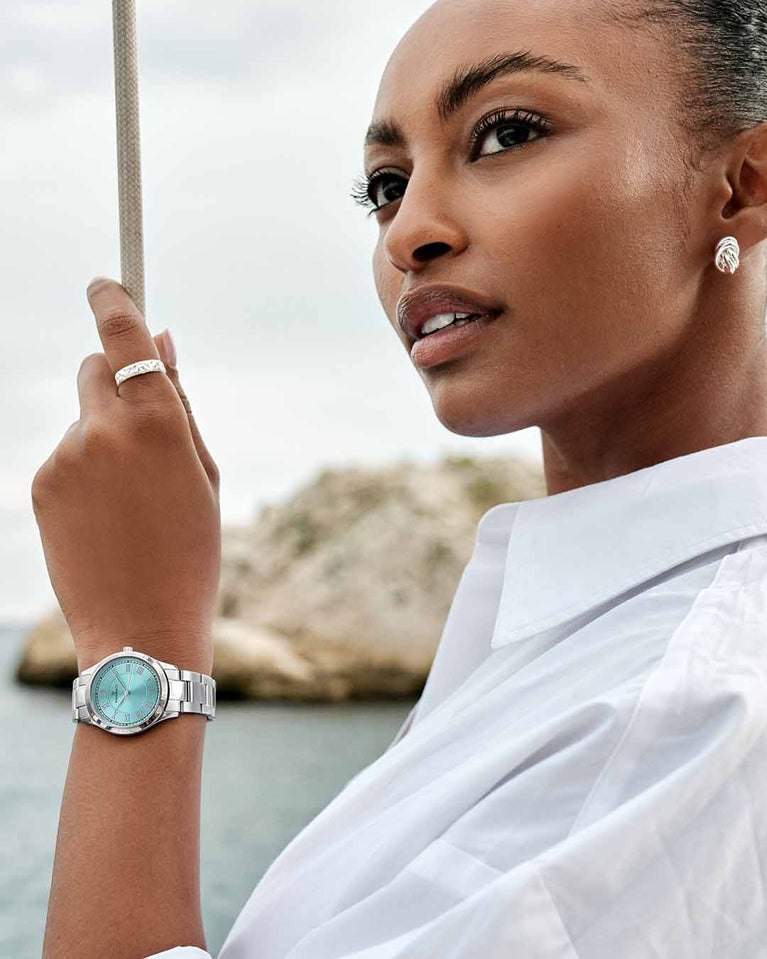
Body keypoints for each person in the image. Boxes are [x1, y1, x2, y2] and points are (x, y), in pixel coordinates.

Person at [34, 0, 767, 956]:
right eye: (384, 183)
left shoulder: (689, 707)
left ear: (741, 186)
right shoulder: (591, 640)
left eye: (505, 133)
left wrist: (139, 652)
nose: (406, 231)